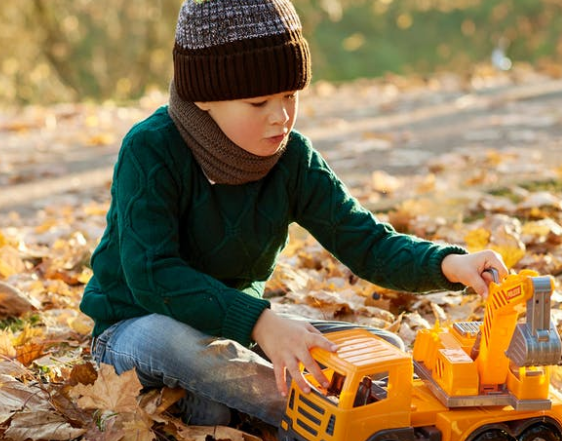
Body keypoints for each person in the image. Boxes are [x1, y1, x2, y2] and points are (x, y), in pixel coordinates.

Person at [79, 0, 508, 428]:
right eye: (259, 102)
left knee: (380, 347)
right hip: (135, 330)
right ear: (205, 98)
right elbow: (153, 275)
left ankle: (238, 407)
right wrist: (264, 323)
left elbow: (367, 243)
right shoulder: (150, 149)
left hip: (234, 332)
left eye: (290, 95)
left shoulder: (292, 160)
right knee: (179, 343)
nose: (280, 116)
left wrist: (450, 264)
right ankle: (342, 418)